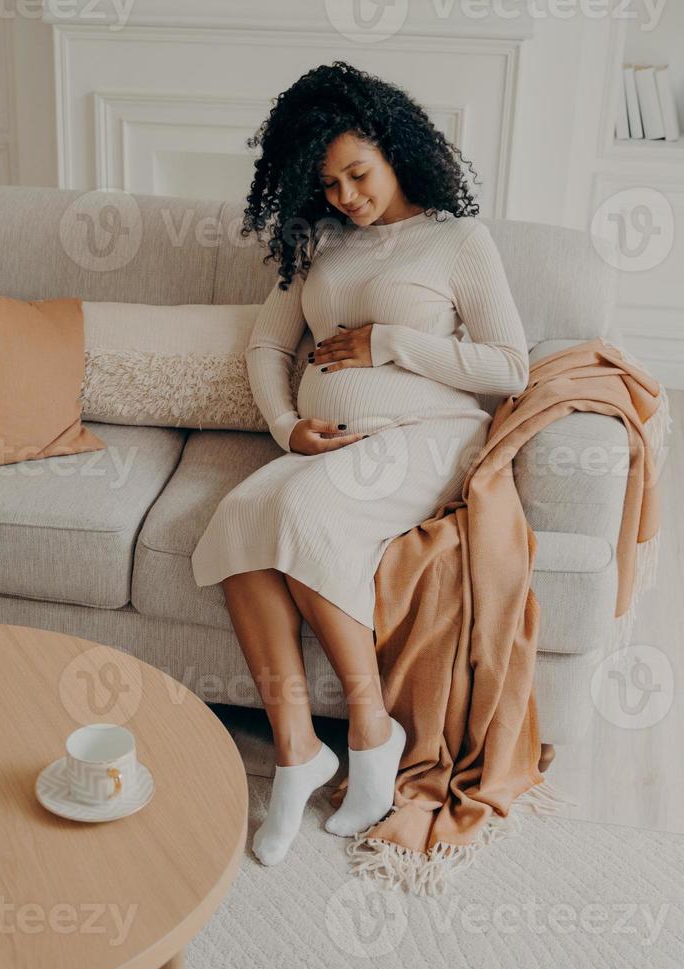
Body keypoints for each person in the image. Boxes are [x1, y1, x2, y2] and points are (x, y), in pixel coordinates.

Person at [190, 61, 530, 866]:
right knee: (239, 518)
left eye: (358, 174)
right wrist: (283, 426)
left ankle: (374, 734)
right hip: (334, 444)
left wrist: (390, 344)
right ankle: (298, 750)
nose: (346, 195)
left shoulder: (458, 240)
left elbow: (510, 367)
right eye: (328, 181)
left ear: (395, 151)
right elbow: (271, 342)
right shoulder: (322, 243)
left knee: (304, 516)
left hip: (430, 436)